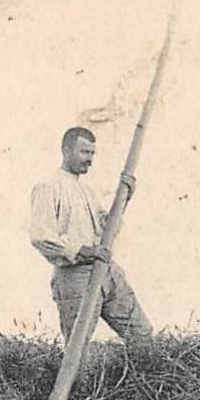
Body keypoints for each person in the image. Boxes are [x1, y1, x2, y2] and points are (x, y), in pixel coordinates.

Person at [29, 125, 154, 342]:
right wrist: (82, 251)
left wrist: (124, 198)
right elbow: (41, 236)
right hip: (75, 277)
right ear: (66, 151)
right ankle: (80, 378)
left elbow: (108, 229)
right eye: (84, 152)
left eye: (92, 153)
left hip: (106, 270)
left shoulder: (86, 191)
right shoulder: (49, 187)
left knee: (142, 335)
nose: (90, 159)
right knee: (77, 350)